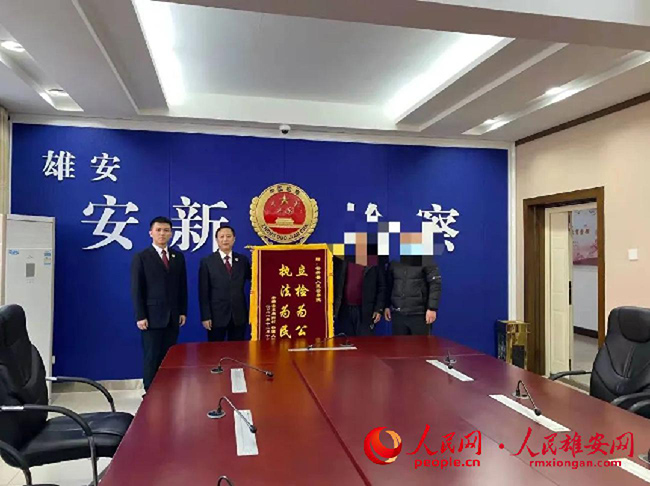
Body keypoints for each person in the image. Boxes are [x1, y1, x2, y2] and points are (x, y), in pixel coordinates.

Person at [131, 216, 187, 391]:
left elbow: (182, 286)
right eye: (158, 230)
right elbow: (137, 289)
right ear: (151, 233)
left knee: (169, 357)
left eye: (166, 230)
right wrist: (140, 315)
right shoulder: (142, 257)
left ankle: (167, 390)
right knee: (152, 356)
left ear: (171, 233)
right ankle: (150, 393)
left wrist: (182, 311)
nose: (162, 233)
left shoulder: (178, 257)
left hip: (173, 317)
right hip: (151, 317)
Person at [199, 225, 252, 341]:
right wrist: (206, 316)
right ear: (216, 240)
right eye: (221, 237)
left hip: (239, 315)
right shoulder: (207, 261)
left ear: (234, 239)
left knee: (238, 349)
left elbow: (255, 278)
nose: (225, 240)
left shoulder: (242, 260)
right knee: (215, 350)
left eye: (228, 236)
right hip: (216, 316)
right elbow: (203, 292)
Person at [384, 256, 442, 335]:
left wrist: (432, 308)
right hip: (398, 314)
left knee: (420, 343)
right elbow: (389, 284)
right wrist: (387, 305)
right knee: (399, 343)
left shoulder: (426, 259)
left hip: (419, 314)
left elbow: (435, 284)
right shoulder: (395, 261)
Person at [333, 258, 385, 336]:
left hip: (366, 311)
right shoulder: (341, 259)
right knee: (347, 340)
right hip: (345, 310)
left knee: (364, 342)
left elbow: (382, 286)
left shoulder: (374, 260)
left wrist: (378, 309)